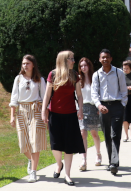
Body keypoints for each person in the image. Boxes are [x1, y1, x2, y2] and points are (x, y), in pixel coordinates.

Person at [42, 51, 86, 186]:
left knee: (69, 146)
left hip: (71, 114)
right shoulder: (53, 74)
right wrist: (44, 111)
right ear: (64, 60)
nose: (74, 61)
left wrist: (80, 109)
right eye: (71, 59)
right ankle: (59, 163)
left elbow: (79, 95)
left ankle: (67, 175)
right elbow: (47, 94)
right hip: (55, 114)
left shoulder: (74, 75)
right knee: (55, 145)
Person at [9, 55, 48, 183]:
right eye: (23, 63)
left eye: (27, 63)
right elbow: (14, 98)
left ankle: (33, 171)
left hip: (36, 110)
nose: (25, 65)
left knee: (35, 142)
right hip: (21, 111)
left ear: (33, 65)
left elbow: (45, 98)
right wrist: (12, 116)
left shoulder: (40, 80)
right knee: (23, 144)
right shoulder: (18, 79)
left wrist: (45, 115)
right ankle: (31, 160)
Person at [91, 49, 127, 176]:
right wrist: (99, 105)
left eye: (107, 57)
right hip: (103, 107)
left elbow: (124, 91)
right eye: (102, 57)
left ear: (111, 58)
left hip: (117, 106)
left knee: (115, 135)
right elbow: (94, 93)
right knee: (107, 135)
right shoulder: (96, 75)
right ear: (99, 59)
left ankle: (114, 163)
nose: (105, 59)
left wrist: (122, 105)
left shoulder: (119, 73)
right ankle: (111, 160)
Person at [77, 57, 102, 172]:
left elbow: (99, 93)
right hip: (82, 108)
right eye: (81, 66)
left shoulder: (95, 78)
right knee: (83, 134)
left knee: (94, 134)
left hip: (93, 107)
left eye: (85, 65)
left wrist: (99, 107)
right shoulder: (78, 79)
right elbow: (76, 96)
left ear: (89, 66)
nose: (83, 67)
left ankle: (98, 154)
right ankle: (84, 159)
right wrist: (78, 109)